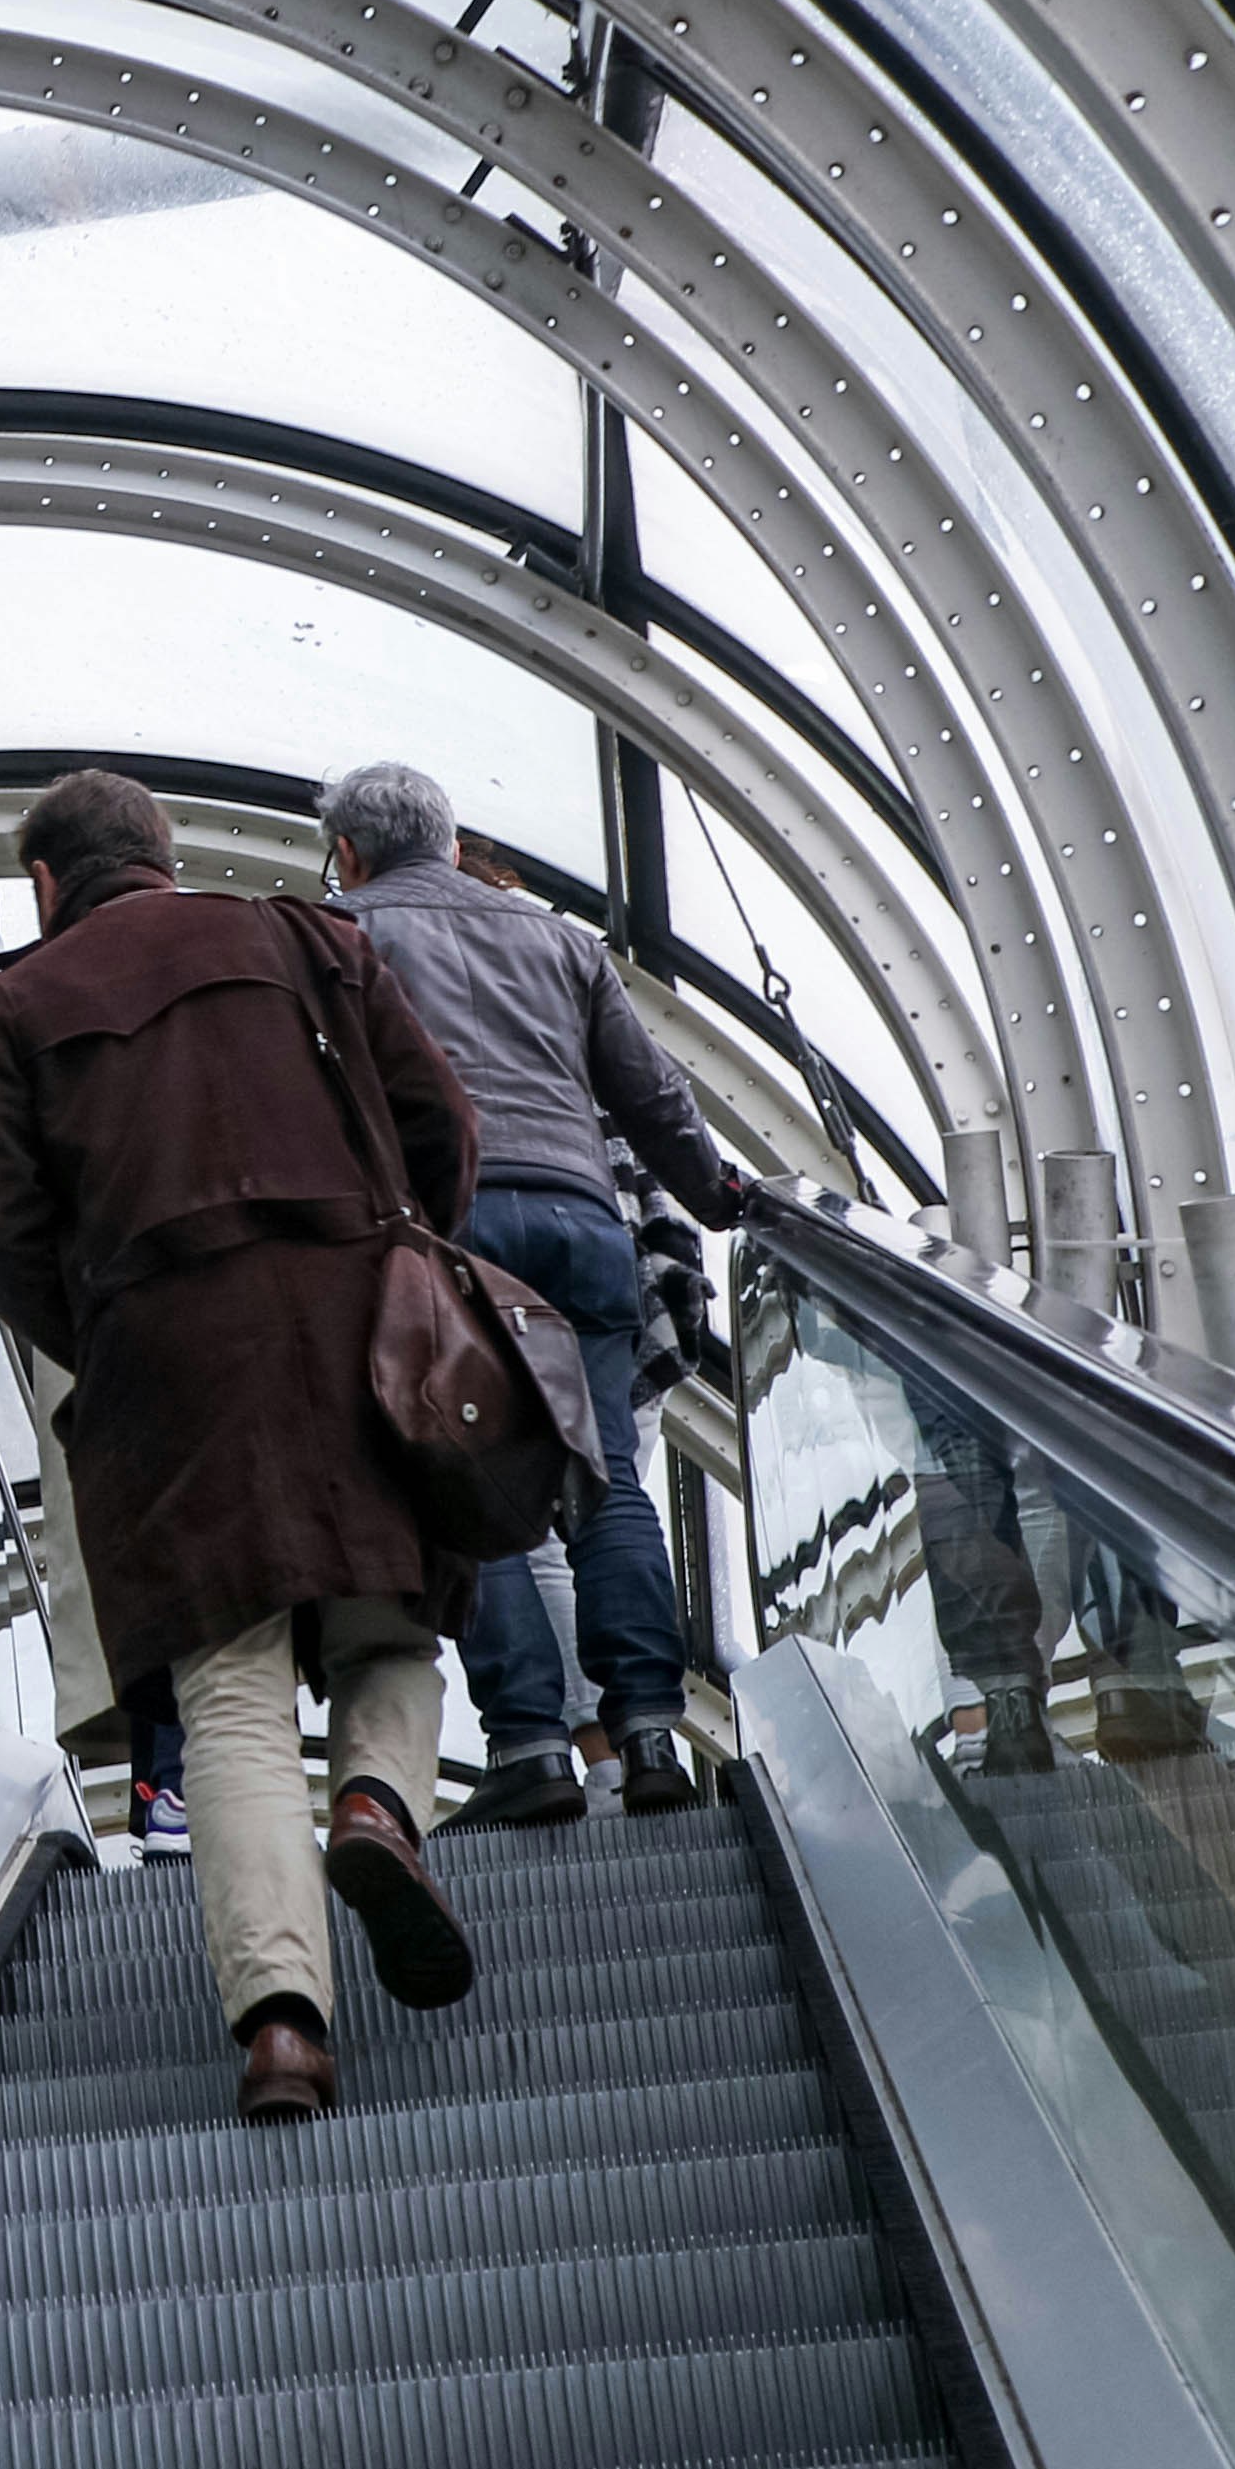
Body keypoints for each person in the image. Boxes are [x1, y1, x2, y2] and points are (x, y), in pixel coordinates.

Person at [0, 768, 489, 2123]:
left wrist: (105, 1320)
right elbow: (445, 1126)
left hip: (166, 1364)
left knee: (231, 1693)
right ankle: (375, 1808)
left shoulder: (15, 1003)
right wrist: (397, 1246)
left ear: (48, 889)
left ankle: (284, 2030)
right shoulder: (305, 936)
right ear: (166, 857)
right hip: (352, 1325)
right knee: (387, 1631)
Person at [321, 763, 753, 1819]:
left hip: (439, 1231)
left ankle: (530, 1746)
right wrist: (716, 1190)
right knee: (605, 1475)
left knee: (461, 1483)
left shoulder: (335, 933)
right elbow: (650, 1091)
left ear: (349, 853)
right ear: (452, 837)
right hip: (578, 1224)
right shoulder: (560, 939)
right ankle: (651, 1731)